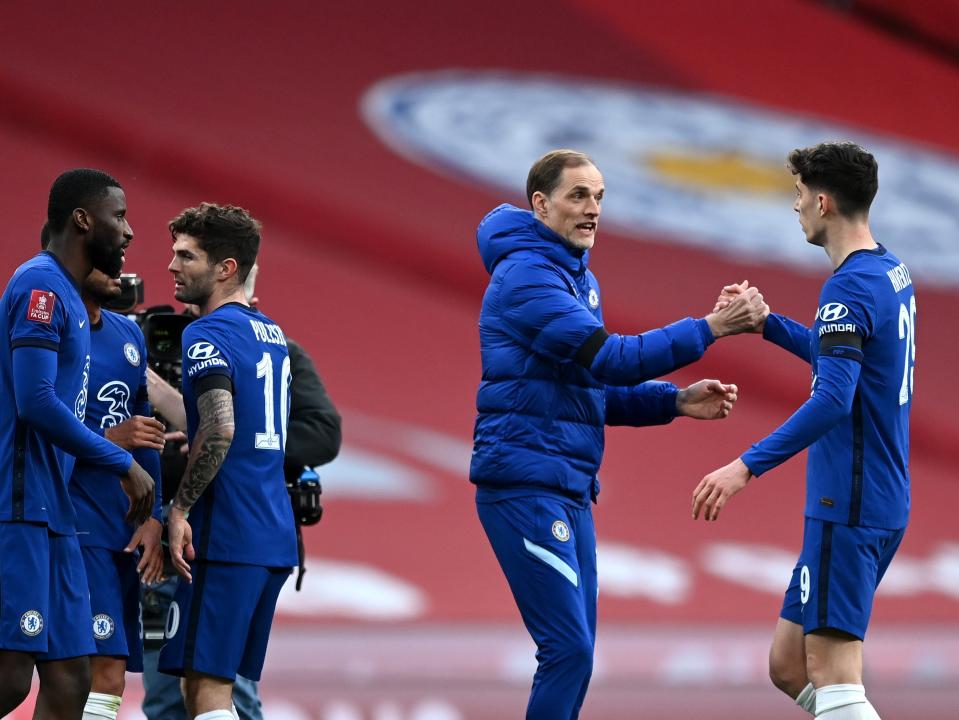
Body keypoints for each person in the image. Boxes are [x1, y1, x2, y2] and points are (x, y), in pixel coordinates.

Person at [470, 149, 768, 719]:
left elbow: (585, 393)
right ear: (541, 203)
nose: (593, 209)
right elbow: (612, 358)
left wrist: (675, 402)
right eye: (578, 195)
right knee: (568, 649)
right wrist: (711, 327)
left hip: (567, 485)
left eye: (600, 196)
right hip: (525, 485)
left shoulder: (575, 275)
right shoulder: (528, 275)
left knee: (577, 652)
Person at [692, 142, 914, 720]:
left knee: (836, 679)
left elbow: (834, 399)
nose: (795, 209)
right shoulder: (889, 270)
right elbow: (846, 361)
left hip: (851, 500)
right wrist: (766, 324)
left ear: (822, 201)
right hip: (875, 495)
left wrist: (745, 466)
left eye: (797, 197)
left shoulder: (848, 287)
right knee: (788, 666)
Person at [141, 262, 342, 720]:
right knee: (170, 690)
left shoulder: (274, 351)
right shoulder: (158, 353)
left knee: (221, 688)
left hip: (224, 534)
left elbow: (324, 433)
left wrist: (236, 435)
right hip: (167, 536)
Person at [0, 169, 154, 718]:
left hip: (55, 508)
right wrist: (120, 460)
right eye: (120, 216)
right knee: (11, 678)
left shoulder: (74, 299)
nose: (130, 231)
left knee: (71, 683)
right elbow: (35, 402)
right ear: (83, 220)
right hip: (19, 502)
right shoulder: (39, 287)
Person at [156, 203, 297, 720]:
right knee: (212, 690)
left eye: (186, 255)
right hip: (272, 535)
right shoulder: (271, 334)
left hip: (227, 535)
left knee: (207, 689)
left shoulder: (205, 334)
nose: (172, 265)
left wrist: (178, 510)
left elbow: (220, 427)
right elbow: (222, 418)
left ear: (226, 268)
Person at [70, 265, 166, 720]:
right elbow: (31, 424)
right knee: (51, 669)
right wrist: (111, 440)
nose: (120, 271)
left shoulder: (128, 333)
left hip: (118, 531)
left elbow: (146, 431)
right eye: (106, 261)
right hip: (66, 523)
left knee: (110, 670)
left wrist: (154, 516)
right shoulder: (43, 331)